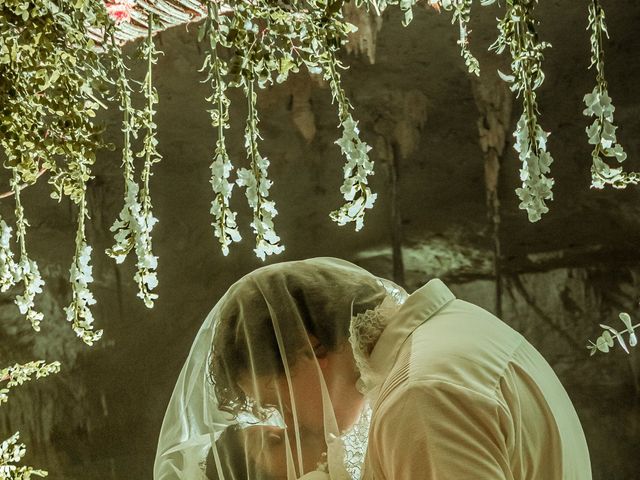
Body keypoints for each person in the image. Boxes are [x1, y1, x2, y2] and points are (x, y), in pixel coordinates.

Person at [154, 257, 592, 480]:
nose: (288, 423)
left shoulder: (420, 393)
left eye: (275, 401)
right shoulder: (463, 330)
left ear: (308, 347)